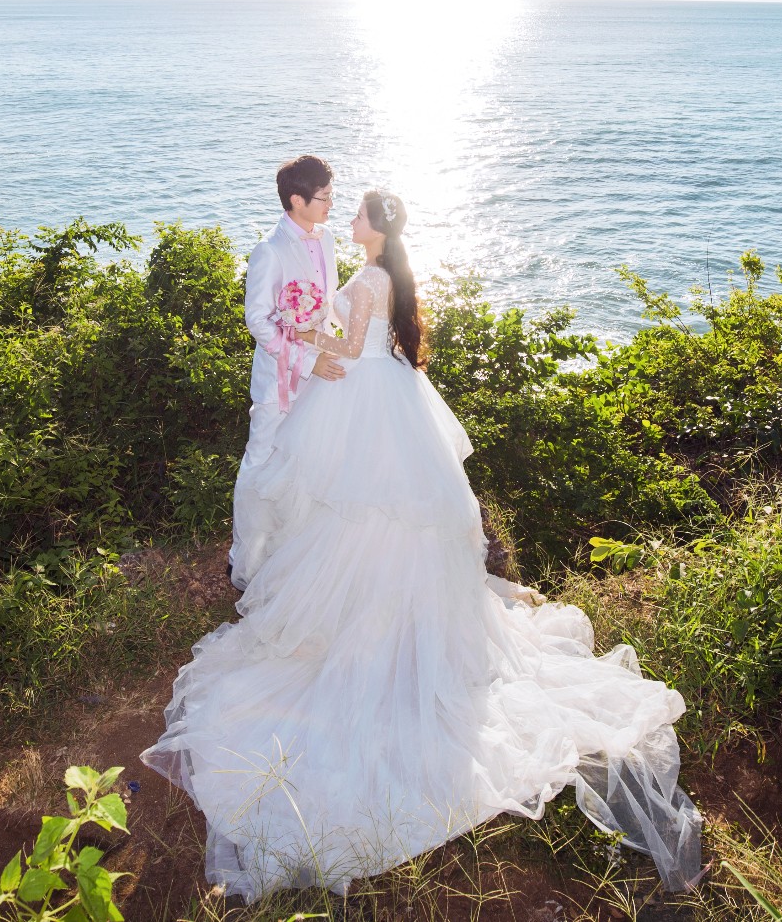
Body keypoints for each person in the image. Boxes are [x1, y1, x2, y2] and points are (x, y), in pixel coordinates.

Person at [145, 188, 702, 901]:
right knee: (378, 516)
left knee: (357, 508)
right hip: (385, 398)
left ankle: (365, 624)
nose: (348, 222)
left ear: (376, 230)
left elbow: (347, 347)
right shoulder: (389, 274)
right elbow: (374, 343)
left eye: (357, 217)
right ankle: (386, 612)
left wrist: (312, 331)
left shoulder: (371, 276)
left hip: (360, 397)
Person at [228, 155, 346, 590]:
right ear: (297, 199)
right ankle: (245, 560)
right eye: (324, 197)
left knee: (309, 460)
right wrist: (304, 359)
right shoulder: (270, 252)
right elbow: (258, 321)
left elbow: (328, 307)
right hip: (280, 379)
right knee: (261, 462)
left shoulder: (328, 239)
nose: (330, 204)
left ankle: (292, 553)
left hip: (321, 370)